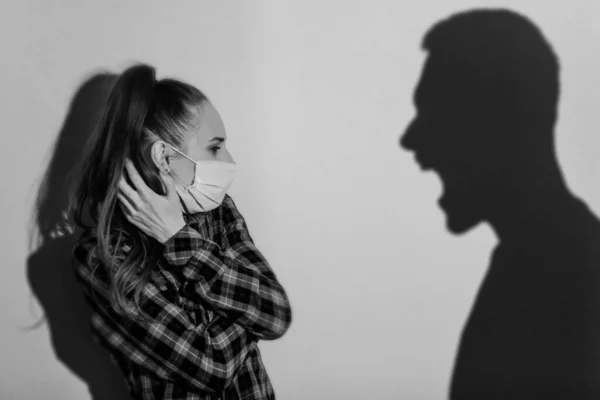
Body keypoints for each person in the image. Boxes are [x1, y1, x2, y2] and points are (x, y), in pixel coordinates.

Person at [401, 9, 600, 399]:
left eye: (435, 114)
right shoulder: (536, 263)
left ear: (494, 122)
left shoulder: (563, 277)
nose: (411, 140)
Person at [68, 63, 292, 400]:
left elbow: (276, 315)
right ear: (164, 157)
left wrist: (178, 236)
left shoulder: (219, 212)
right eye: (214, 147)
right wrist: (245, 309)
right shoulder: (103, 255)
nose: (228, 158)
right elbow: (212, 369)